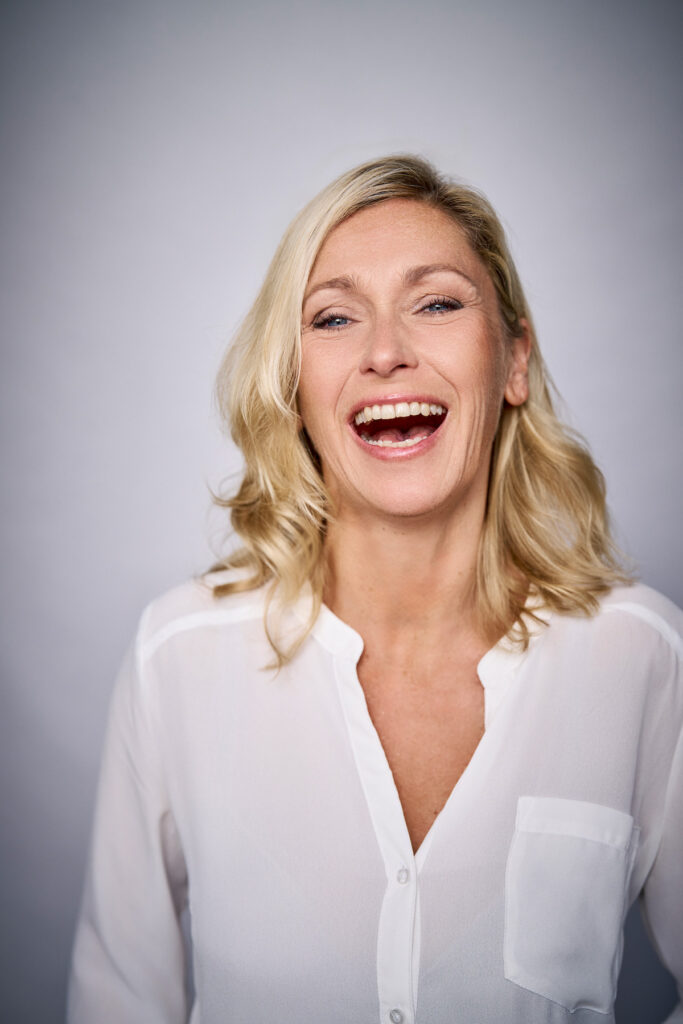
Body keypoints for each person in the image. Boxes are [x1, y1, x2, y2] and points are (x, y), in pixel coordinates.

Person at [67, 155, 683, 1023]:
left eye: (436, 304)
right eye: (333, 317)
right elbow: (117, 1003)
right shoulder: (178, 658)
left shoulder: (639, 658)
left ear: (512, 361)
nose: (386, 352)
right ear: (293, 386)